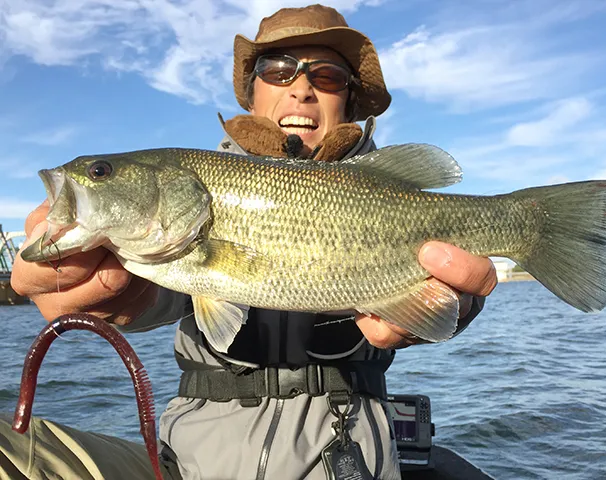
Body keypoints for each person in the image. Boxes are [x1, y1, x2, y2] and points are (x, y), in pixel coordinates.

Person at [2, 4, 497, 480]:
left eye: (327, 76)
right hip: (186, 459)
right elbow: (153, 298)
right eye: (278, 68)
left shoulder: (382, 185)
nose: (301, 88)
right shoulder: (191, 202)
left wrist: (448, 307)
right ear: (251, 90)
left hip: (350, 456)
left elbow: (439, 304)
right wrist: (108, 298)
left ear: (349, 99)